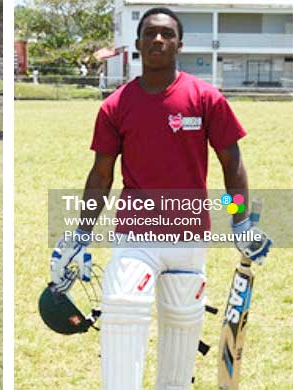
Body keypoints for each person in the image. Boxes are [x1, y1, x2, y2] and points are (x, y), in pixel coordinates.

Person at [49, 7, 271, 389]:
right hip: (136, 235)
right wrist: (80, 232)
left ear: (179, 44)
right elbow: (101, 175)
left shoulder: (205, 98)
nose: (157, 40)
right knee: (121, 309)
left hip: (189, 237)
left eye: (166, 34)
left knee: (182, 330)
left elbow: (231, 162)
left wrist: (240, 221)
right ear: (137, 44)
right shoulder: (116, 105)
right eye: (150, 33)